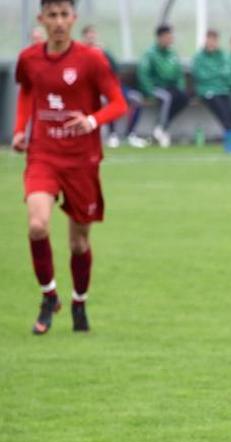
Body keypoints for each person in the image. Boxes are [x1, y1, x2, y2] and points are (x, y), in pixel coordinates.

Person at [13, 0, 127, 334]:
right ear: (42, 19)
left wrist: (92, 120)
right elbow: (26, 92)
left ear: (74, 18)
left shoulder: (91, 60)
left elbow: (119, 103)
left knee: (78, 243)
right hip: (43, 155)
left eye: (65, 15)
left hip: (82, 160)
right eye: (52, 15)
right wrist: (22, 128)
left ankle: (79, 301)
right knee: (37, 225)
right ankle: (49, 296)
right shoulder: (29, 59)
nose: (59, 22)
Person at [81, 24, 146, 148]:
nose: (91, 38)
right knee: (107, 102)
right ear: (84, 38)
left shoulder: (103, 52)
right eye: (88, 36)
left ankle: (131, 134)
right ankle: (112, 135)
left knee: (136, 99)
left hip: (111, 87)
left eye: (93, 35)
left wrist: (104, 54)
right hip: (93, 90)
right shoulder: (80, 54)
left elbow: (116, 69)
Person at [137, 24, 188, 147]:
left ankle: (161, 127)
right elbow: (143, 74)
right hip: (155, 88)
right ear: (160, 38)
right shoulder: (150, 54)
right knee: (167, 97)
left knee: (184, 98)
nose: (170, 39)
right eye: (167, 36)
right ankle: (160, 128)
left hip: (170, 87)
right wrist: (148, 90)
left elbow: (179, 74)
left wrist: (180, 87)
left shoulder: (172, 54)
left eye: (171, 36)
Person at [191, 29, 231, 137]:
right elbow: (201, 76)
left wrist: (213, 73)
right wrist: (217, 74)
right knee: (222, 111)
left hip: (223, 90)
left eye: (214, 40)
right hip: (207, 91)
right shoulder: (199, 57)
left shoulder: (222, 55)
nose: (212, 43)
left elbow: (227, 73)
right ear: (205, 41)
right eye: (209, 40)